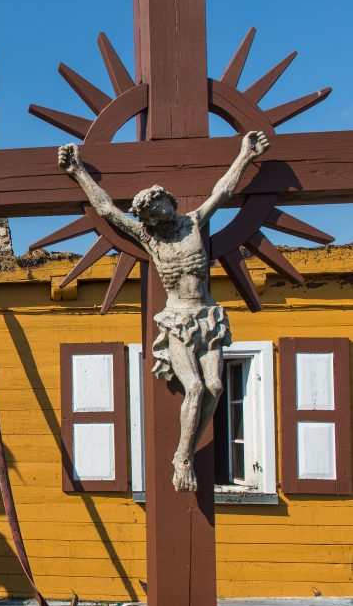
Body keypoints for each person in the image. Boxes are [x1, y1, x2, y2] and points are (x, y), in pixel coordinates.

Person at [58, 131, 269, 492]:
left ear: (169, 203)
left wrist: (245, 156)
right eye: (152, 212)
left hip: (209, 316)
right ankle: (183, 457)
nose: (160, 214)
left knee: (216, 386)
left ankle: (184, 450)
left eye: (161, 206)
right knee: (196, 387)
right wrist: (78, 171)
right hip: (178, 319)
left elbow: (223, 192)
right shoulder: (150, 238)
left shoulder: (193, 223)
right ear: (148, 220)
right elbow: (108, 210)